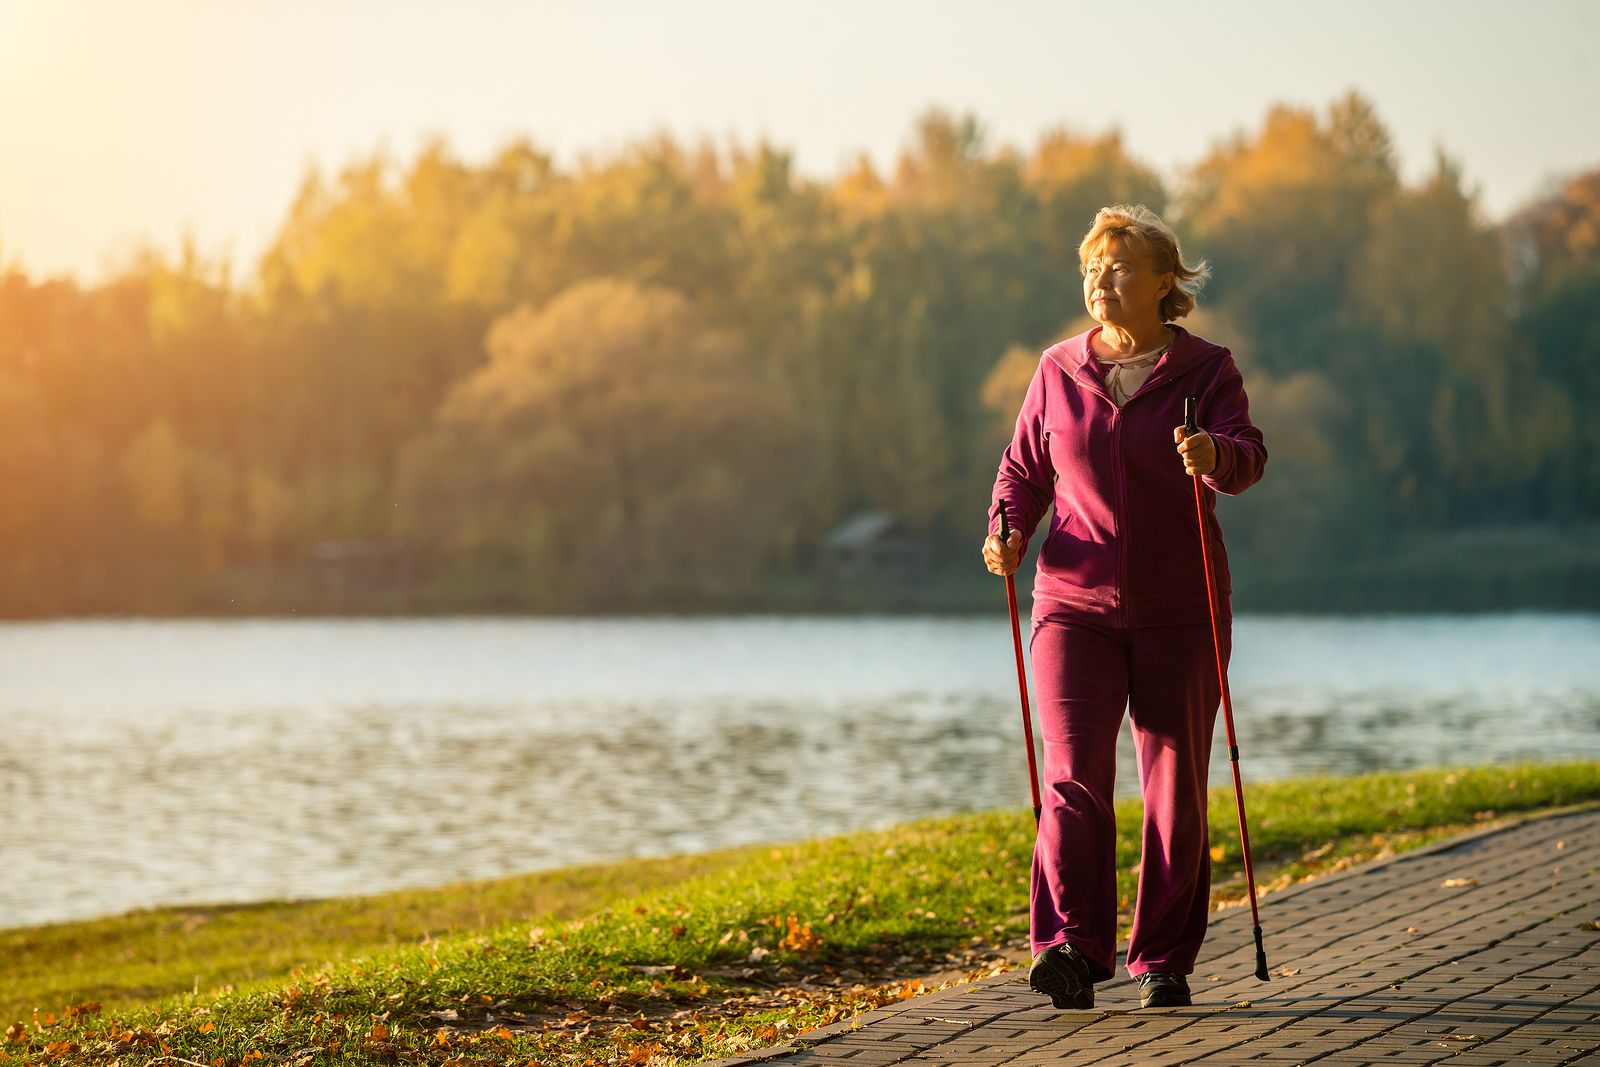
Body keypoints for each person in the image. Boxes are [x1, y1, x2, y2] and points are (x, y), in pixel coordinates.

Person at [982, 204, 1266, 1010]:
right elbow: (1023, 471)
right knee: (1073, 773)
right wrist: (1005, 529)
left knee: (1174, 784)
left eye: (1117, 269)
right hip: (1072, 602)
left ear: (1162, 282)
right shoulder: (1056, 370)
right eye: (1090, 270)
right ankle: (1070, 944)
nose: (1098, 283)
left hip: (1182, 606)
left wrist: (1215, 455)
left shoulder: (1208, 370)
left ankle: (1164, 959)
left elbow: (1248, 459)